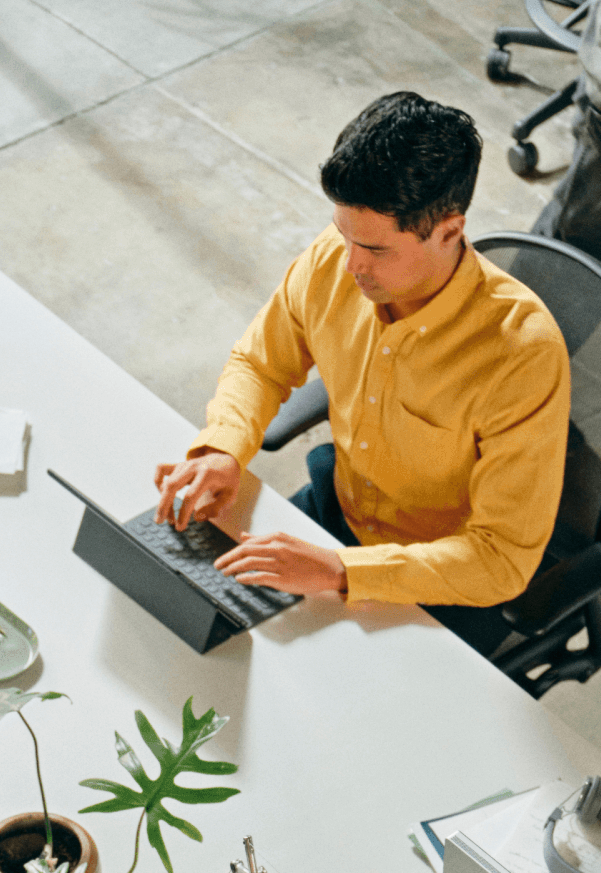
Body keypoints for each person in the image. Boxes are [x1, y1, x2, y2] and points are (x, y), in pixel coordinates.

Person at [154, 91, 572, 656]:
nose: (351, 263)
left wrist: (342, 570)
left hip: (442, 579)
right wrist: (223, 448)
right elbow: (260, 362)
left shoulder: (522, 354)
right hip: (339, 512)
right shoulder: (336, 257)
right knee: (191, 625)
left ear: (448, 231)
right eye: (345, 235)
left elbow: (500, 560)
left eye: (375, 249)